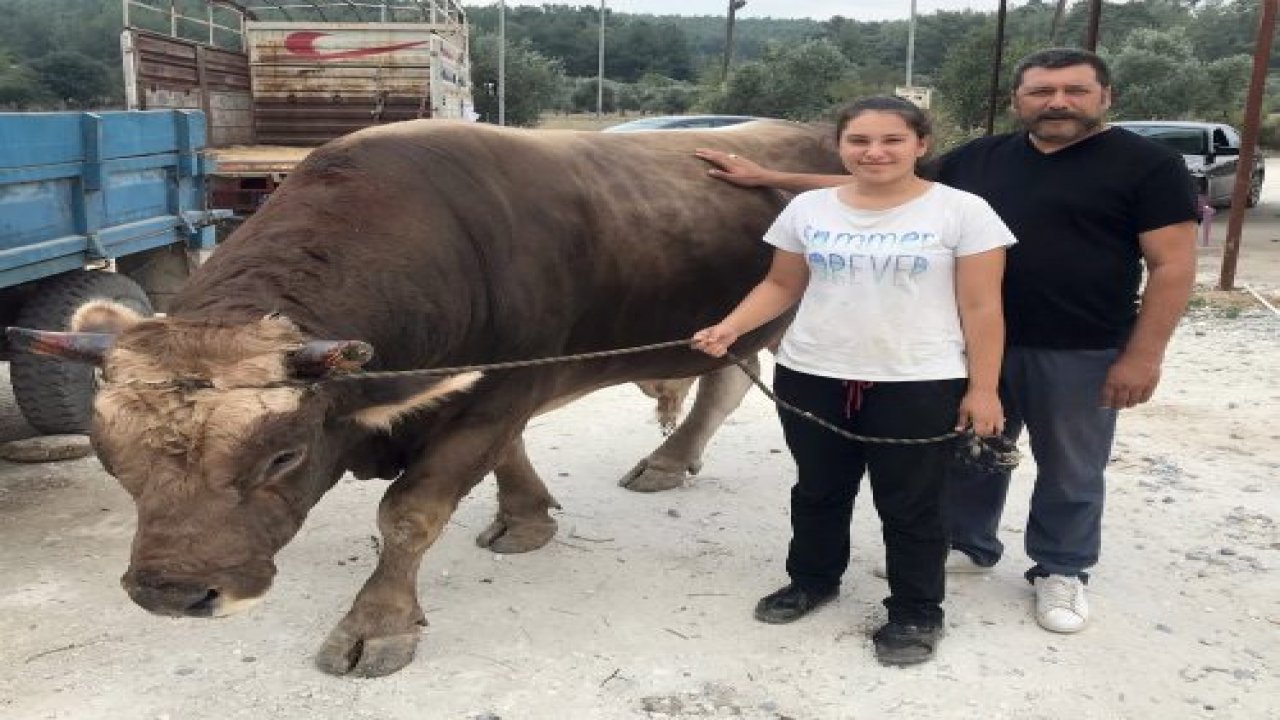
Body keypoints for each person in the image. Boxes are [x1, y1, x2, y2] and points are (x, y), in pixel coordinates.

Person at [694, 48, 1197, 635]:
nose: (1057, 101)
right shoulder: (981, 160)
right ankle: (970, 544)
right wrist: (767, 178)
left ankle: (1061, 567)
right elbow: (882, 181)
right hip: (963, 342)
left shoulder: (1148, 165)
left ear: (1105, 96)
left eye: (1075, 90)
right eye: (1041, 91)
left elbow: (1173, 266)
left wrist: (1143, 354)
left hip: (1074, 341)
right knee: (968, 459)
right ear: (1018, 100)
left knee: (1070, 464)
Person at [691, 96, 1016, 666]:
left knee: (911, 502)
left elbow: (982, 306)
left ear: (921, 145)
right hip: (813, 372)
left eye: (891, 139)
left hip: (919, 379)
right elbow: (782, 286)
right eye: (859, 141)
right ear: (841, 147)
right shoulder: (808, 209)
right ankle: (812, 580)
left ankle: (916, 610)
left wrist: (983, 388)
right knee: (818, 488)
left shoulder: (964, 211)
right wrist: (730, 327)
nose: (875, 152)